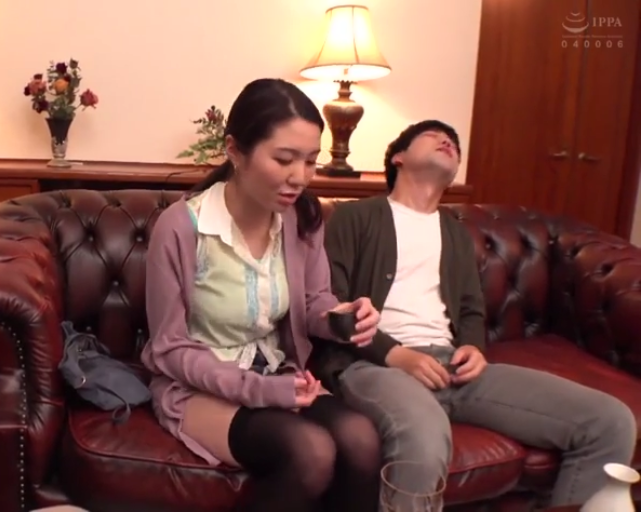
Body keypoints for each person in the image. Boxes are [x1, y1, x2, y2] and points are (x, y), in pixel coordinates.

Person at [316, 119, 638, 507]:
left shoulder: (454, 232)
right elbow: (332, 302)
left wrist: (473, 347)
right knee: (424, 435)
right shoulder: (356, 216)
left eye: (453, 141)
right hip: (373, 365)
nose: (447, 141)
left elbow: (471, 308)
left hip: (452, 367)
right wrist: (396, 354)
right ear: (398, 157)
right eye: (433, 136)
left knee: (609, 421)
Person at [142, 78, 383, 512]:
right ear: (235, 151)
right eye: (284, 159)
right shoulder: (181, 227)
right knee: (309, 451)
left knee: (361, 439)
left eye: (310, 161)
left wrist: (343, 317)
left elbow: (314, 302)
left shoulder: (302, 218)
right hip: (197, 385)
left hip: (275, 374)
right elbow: (169, 347)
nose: (300, 177)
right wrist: (260, 390)